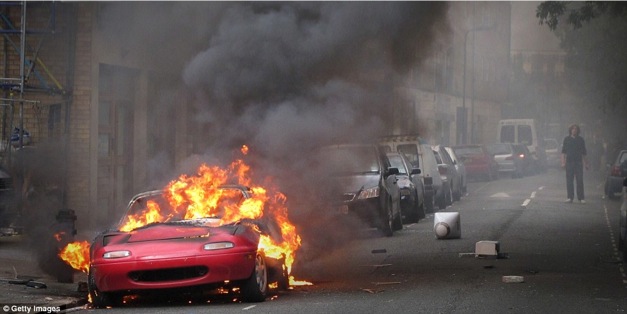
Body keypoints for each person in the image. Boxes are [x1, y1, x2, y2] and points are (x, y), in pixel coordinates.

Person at [561, 124, 589, 203]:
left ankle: (581, 197)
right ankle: (570, 197)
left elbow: (584, 153)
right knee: (569, 180)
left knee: (579, 180)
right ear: (570, 130)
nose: (574, 130)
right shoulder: (566, 139)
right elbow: (563, 152)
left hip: (578, 162)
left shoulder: (581, 140)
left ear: (578, 131)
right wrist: (563, 162)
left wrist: (586, 163)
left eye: (576, 129)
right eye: (573, 129)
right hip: (569, 162)